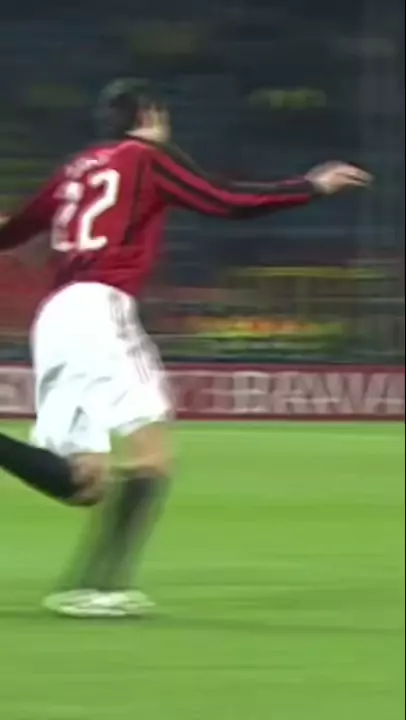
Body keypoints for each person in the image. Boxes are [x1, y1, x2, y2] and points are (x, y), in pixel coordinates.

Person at [0, 78, 372, 618]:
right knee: (151, 455)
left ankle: (92, 586)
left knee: (85, 482)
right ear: (150, 115)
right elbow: (226, 202)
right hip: (100, 307)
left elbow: (13, 231)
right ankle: (102, 589)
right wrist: (310, 186)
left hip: (55, 316)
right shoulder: (144, 157)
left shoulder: (74, 169)